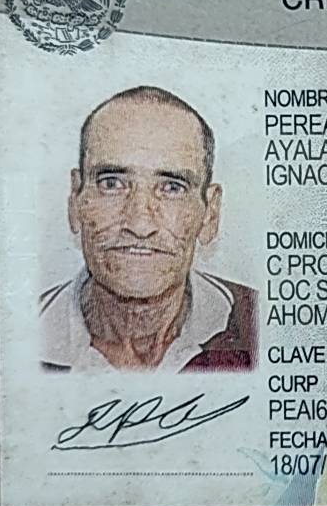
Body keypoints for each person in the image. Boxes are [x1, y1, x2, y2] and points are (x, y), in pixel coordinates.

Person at [40, 85, 257, 372]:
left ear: (210, 214)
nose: (140, 225)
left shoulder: (265, 327)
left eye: (172, 188)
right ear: (75, 201)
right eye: (111, 184)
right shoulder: (14, 335)